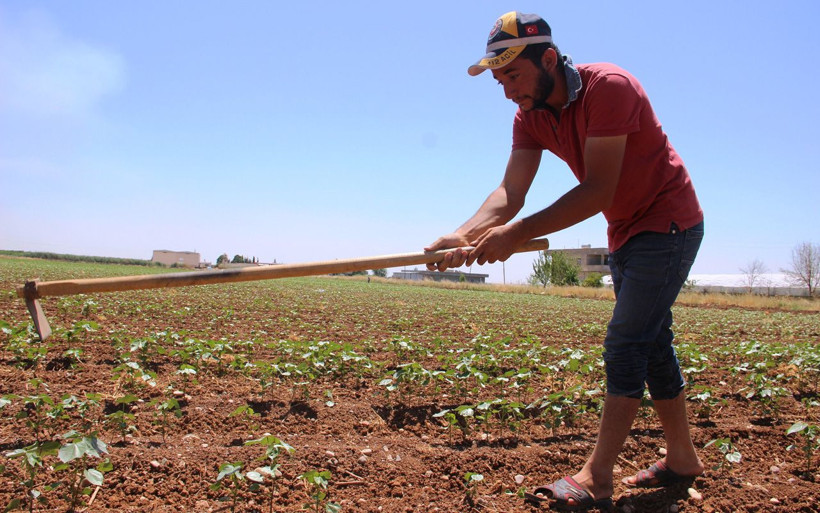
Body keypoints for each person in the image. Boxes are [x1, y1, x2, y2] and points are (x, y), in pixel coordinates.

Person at [425, 11, 705, 511]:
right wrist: (463, 233)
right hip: (625, 230)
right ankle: (682, 458)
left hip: (668, 223)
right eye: (497, 79)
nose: (507, 90)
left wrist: (516, 235)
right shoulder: (528, 114)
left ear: (548, 58)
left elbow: (599, 189)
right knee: (653, 344)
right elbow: (510, 193)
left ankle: (598, 477)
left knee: (627, 343)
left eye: (512, 74)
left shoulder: (610, 88)